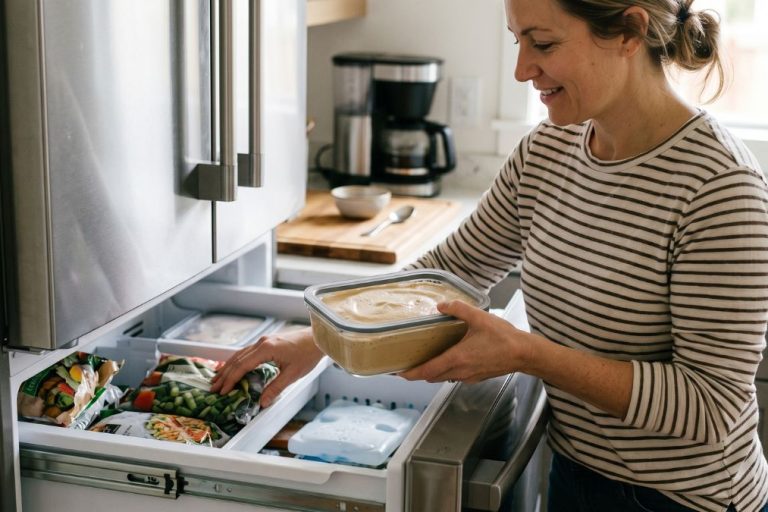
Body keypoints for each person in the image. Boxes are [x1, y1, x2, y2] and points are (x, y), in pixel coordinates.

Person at [212, 0, 768, 510]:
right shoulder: (549, 149)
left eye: (544, 44)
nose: (522, 70)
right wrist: (323, 338)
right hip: (578, 472)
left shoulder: (719, 190)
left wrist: (527, 353)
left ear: (628, 31)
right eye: (516, 42)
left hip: (684, 500)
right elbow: (451, 272)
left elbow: (711, 407)